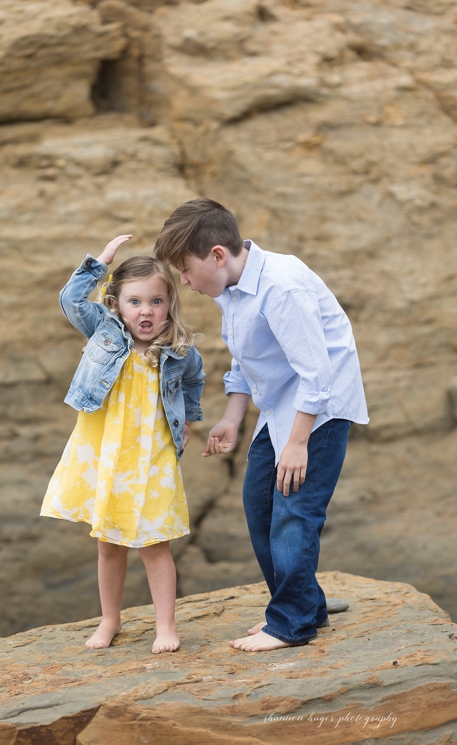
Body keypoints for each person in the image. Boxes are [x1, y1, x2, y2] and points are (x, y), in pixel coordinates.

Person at [153, 198, 369, 652]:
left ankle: (291, 624)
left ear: (217, 254)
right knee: (259, 505)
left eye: (186, 270)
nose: (185, 282)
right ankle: (304, 605)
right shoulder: (232, 288)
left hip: (320, 411)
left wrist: (298, 443)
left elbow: (317, 373)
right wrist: (232, 419)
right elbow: (247, 359)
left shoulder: (281, 287)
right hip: (282, 407)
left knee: (294, 512)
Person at [41, 235, 204, 653]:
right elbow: (71, 300)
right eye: (134, 301)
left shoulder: (179, 350)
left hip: (151, 455)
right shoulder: (104, 329)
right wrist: (101, 262)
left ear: (169, 304)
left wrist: (189, 418)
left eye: (156, 301)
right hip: (106, 450)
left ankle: (165, 625)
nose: (145, 311)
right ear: (115, 304)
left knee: (154, 542)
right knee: (109, 543)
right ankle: (110, 620)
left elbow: (193, 381)